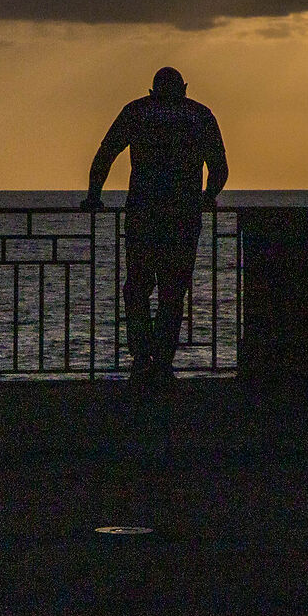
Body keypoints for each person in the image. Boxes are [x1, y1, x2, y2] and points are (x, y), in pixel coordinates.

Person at [85, 67, 228, 391]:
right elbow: (219, 167)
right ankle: (163, 363)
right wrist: (207, 197)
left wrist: (94, 196)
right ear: (185, 89)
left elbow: (105, 155)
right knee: (172, 292)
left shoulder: (137, 112)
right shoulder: (200, 115)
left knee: (136, 287)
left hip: (143, 213)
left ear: (152, 90)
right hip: (183, 215)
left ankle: (141, 359)